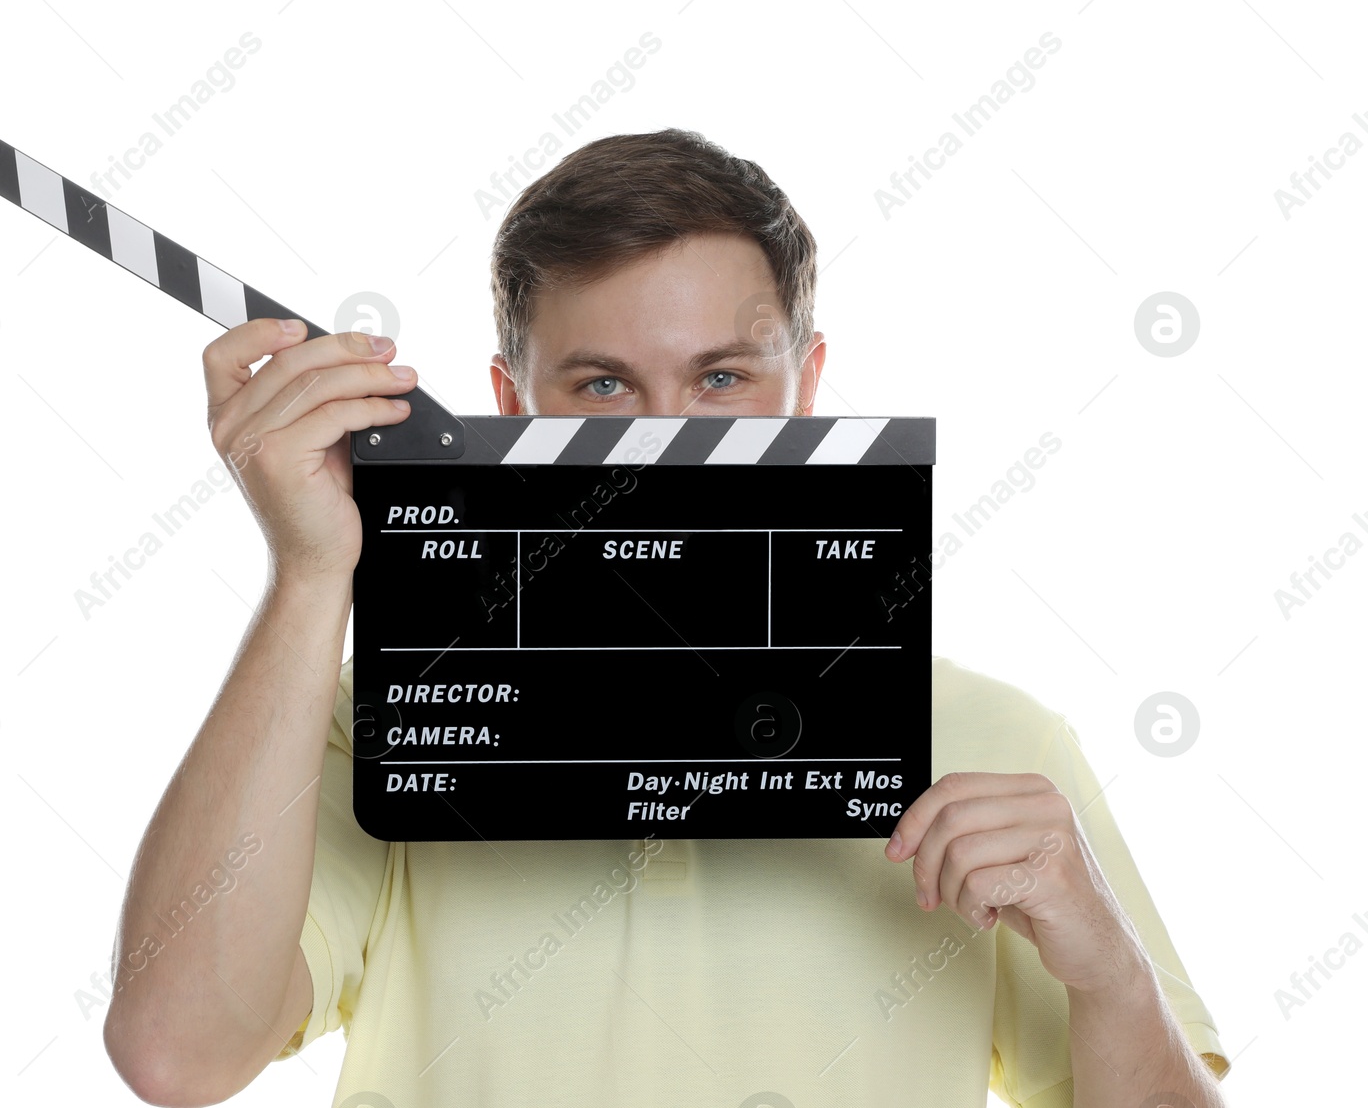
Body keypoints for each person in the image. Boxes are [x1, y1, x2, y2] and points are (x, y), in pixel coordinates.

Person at [103, 130, 1231, 1107]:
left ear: (807, 383)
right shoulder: (393, 725)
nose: (664, 437)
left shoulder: (994, 743)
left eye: (722, 378)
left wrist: (1108, 968)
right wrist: (314, 572)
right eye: (600, 385)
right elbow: (175, 1050)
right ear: (509, 404)